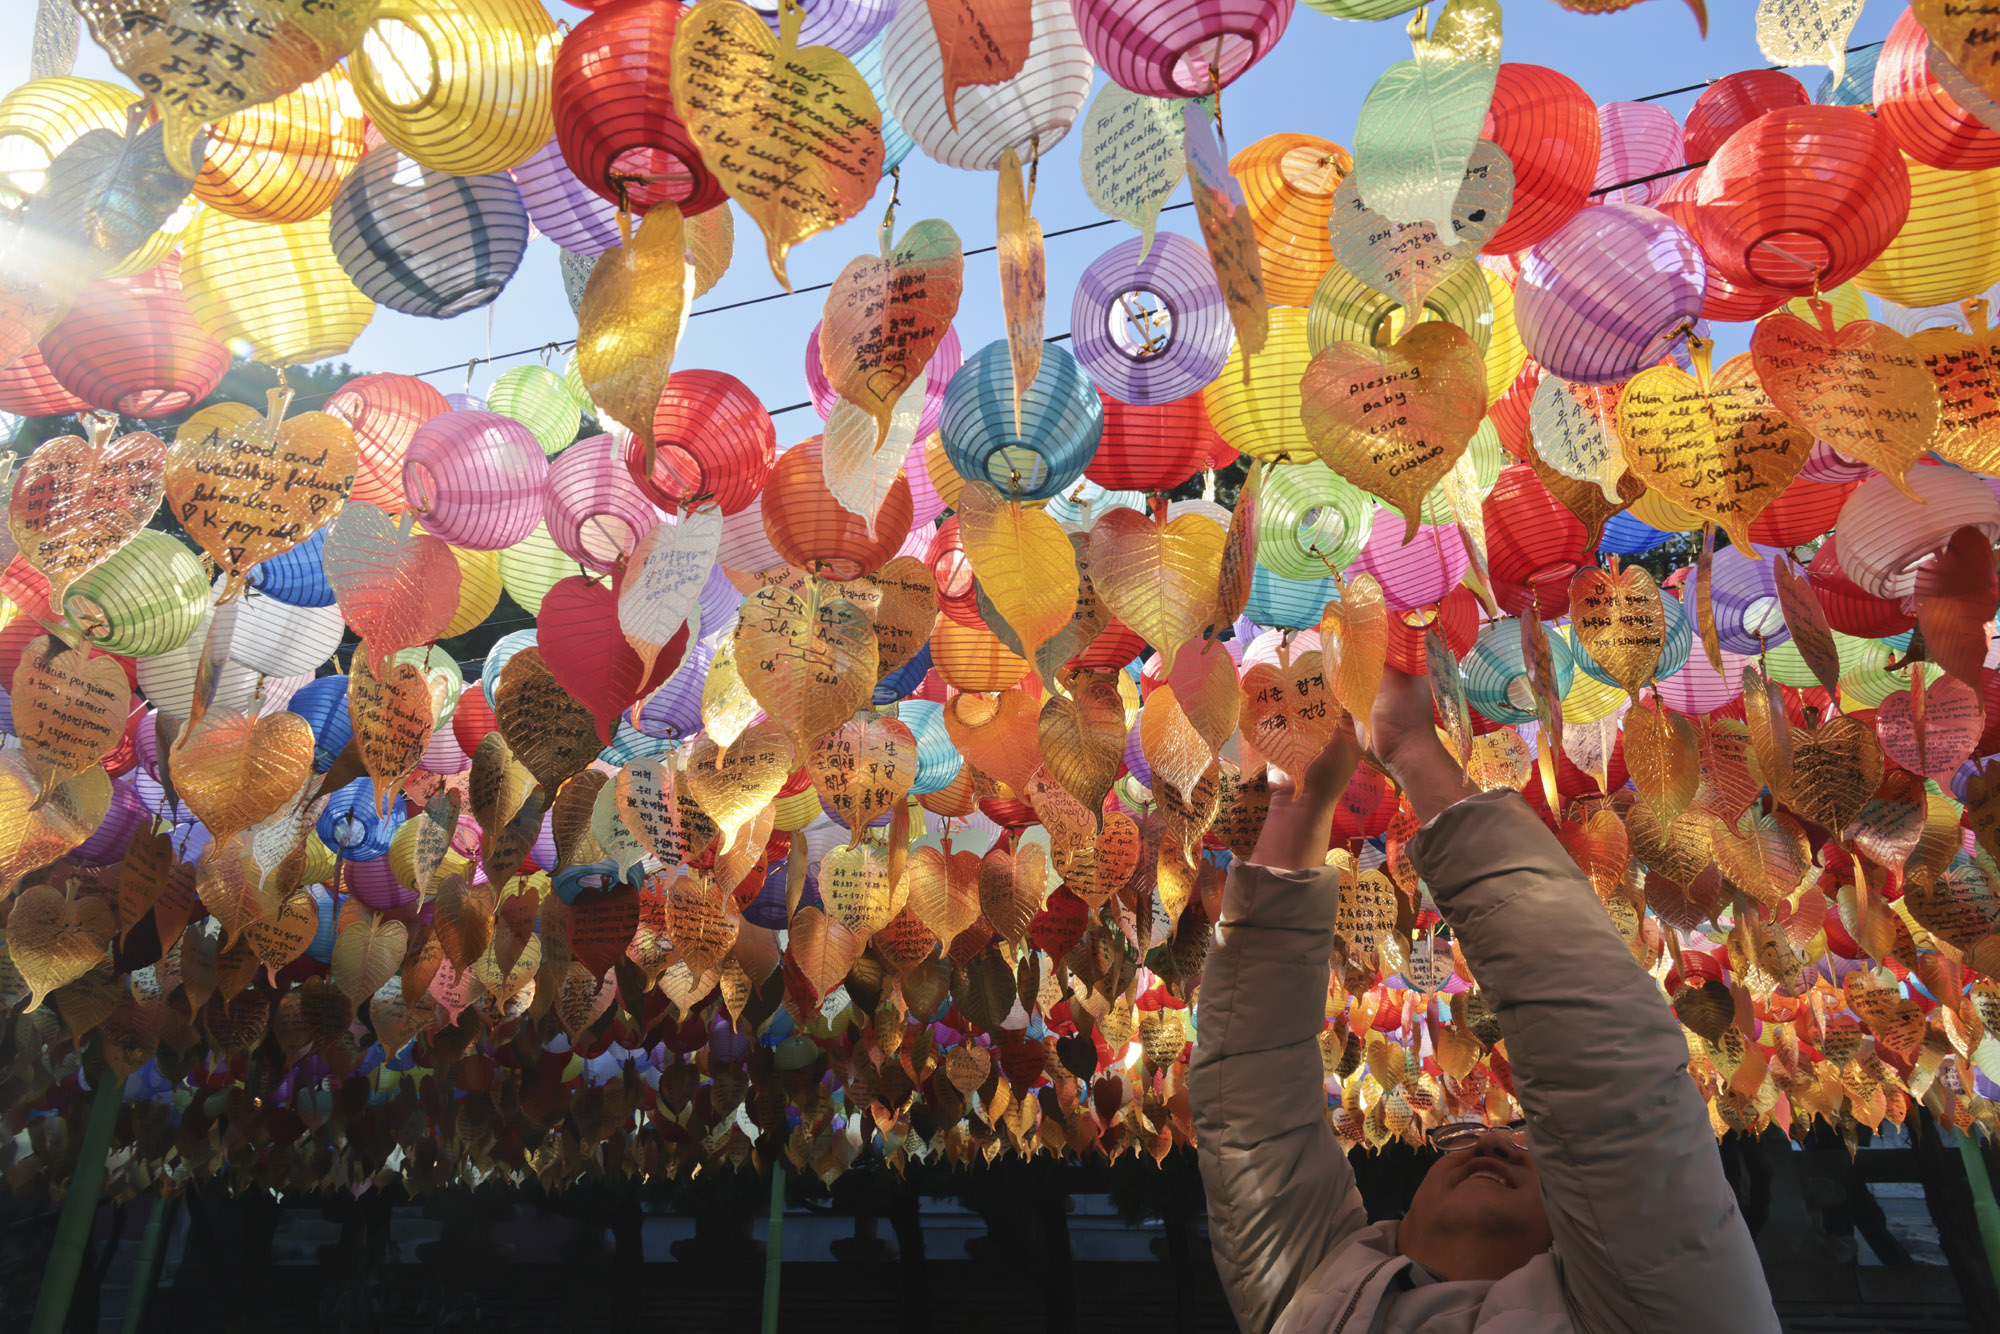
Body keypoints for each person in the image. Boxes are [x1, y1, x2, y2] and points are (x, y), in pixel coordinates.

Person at [1190, 668, 1779, 1333]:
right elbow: (1610, 1070)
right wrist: (1354, 770)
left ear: (1584, 1220)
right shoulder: (1681, 1311)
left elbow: (1247, 1102)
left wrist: (1337, 786)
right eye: (1516, 1139)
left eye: (1486, 1134)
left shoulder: (1299, 1297)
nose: (1494, 1140)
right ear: (1399, 1217)